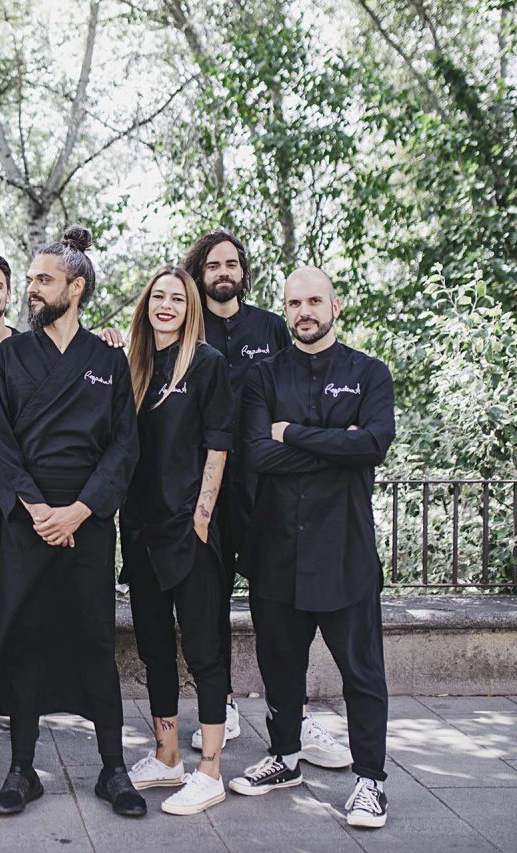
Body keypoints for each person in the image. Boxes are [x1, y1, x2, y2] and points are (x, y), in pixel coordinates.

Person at [0, 226, 145, 818]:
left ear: (76, 287)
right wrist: (35, 506)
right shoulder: (12, 356)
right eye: (30, 281)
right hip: (28, 520)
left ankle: (113, 769)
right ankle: (22, 769)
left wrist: (80, 509)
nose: (31, 291)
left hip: (88, 522)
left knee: (97, 640)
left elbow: (124, 446)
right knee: (25, 636)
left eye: (42, 280)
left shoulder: (107, 361)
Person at [178, 231, 355, 765]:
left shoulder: (271, 326)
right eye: (214, 264)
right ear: (200, 271)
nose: (223, 271)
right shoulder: (186, 321)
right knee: (205, 598)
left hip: (262, 488)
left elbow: (296, 391)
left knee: (276, 606)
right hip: (202, 483)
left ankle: (293, 720)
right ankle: (222, 704)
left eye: (232, 262)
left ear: (243, 271)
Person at [228, 267, 394, 830]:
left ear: (335, 306)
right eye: (294, 302)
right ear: (284, 309)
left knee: (362, 674)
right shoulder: (261, 376)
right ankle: (284, 757)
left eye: (314, 300)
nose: (304, 311)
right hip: (275, 551)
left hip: (345, 552)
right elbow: (256, 455)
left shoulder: (370, 373)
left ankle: (371, 780)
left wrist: (291, 433)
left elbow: (373, 444)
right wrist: (336, 445)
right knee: (280, 669)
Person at [120, 267, 234, 815]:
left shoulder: (208, 364)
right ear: (146, 306)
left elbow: (218, 444)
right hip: (139, 530)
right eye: (158, 297)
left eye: (177, 298)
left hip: (188, 531)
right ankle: (167, 756)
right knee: (154, 647)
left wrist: (202, 517)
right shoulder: (133, 365)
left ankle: (210, 769)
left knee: (204, 650)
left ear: (190, 309)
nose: (166, 305)